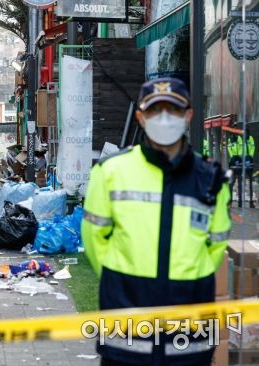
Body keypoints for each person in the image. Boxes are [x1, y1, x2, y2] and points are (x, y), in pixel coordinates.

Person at [82, 78, 231, 366]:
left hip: (189, 321)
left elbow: (216, 245)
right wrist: (119, 278)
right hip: (125, 310)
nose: (164, 118)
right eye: (155, 110)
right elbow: (93, 238)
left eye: (173, 110)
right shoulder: (111, 171)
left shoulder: (211, 179)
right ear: (141, 117)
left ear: (188, 116)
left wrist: (189, 276)